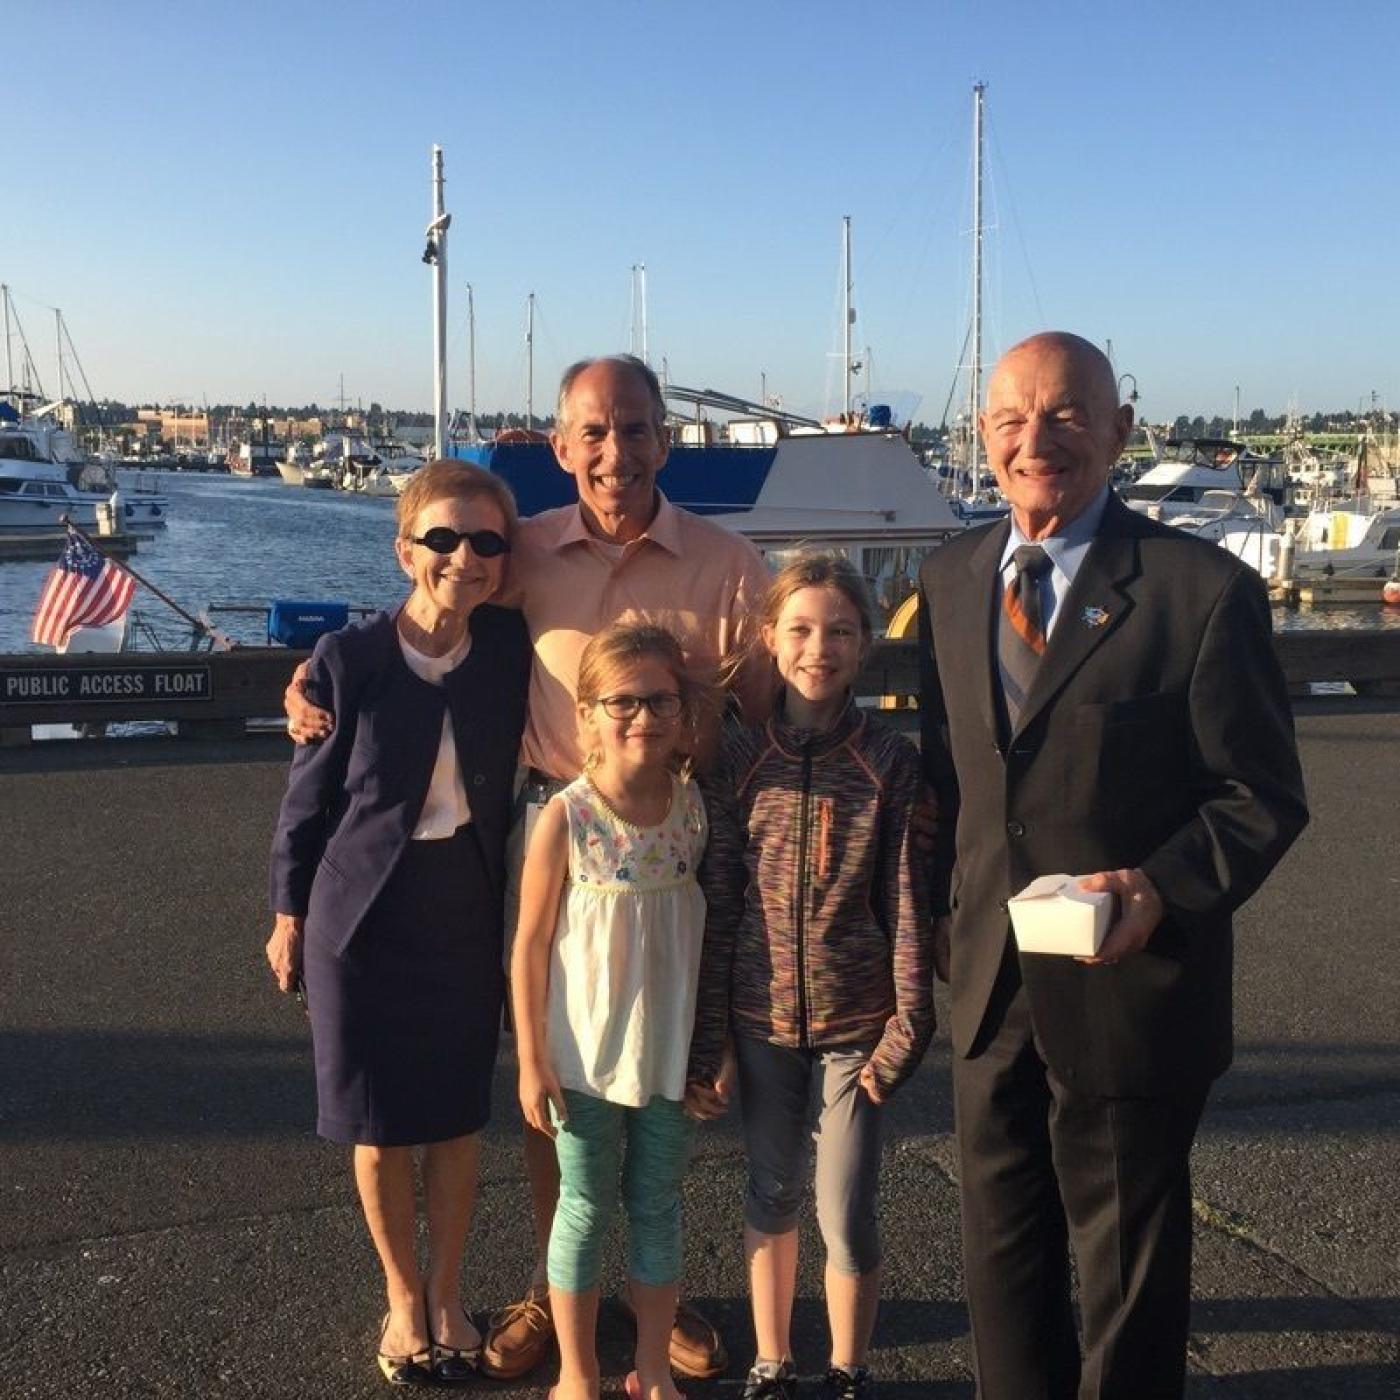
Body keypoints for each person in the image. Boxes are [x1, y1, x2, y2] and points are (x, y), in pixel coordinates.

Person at [283, 354, 772, 1382]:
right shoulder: (523, 557)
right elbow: (426, 614)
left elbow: (768, 711)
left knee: (665, 1077)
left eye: (634, 428)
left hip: (676, 845)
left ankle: (650, 1300)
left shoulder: (730, 564)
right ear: (560, 447)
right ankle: (564, 1298)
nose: (614, 451)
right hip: (551, 828)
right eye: (591, 433)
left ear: (664, 437)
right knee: (558, 1078)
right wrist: (313, 677)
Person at [916, 332, 1309, 1399]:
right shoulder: (949, 581)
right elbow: (945, 782)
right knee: (999, 1259)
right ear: (980, 435)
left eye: (1065, 413)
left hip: (1129, 984)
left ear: (1120, 428)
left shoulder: (1200, 591)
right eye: (1007, 419)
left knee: (1125, 1276)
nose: (1033, 440)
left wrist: (1155, 886)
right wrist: (939, 922)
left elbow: (1259, 795)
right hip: (990, 982)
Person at [266, 460, 531, 1386]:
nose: (465, 557)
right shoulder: (348, 660)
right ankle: (402, 1297)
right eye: (443, 538)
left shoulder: (508, 648)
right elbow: (305, 804)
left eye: (487, 540)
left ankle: (450, 1293)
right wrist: (287, 911)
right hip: (357, 917)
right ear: (403, 549)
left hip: (463, 900)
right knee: (377, 1125)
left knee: (456, 1120)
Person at [687, 553, 934, 1400]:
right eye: (798, 630)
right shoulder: (741, 760)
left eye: (837, 632)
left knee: (846, 1210)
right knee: (770, 1189)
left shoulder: (890, 763)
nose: (816, 649)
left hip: (856, 1029)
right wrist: (711, 1035)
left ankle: (848, 1367)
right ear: (771, 640)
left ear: (864, 643)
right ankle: (771, 1359)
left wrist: (907, 1029)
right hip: (760, 1023)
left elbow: (906, 902)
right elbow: (720, 902)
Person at [512, 622, 711, 1400]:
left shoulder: (694, 809)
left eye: (659, 699)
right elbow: (527, 946)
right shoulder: (566, 818)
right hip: (583, 1063)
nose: (641, 716)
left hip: (666, 1057)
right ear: (586, 713)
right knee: (584, 1209)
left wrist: (711, 1051)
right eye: (620, 701)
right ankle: (578, 1374)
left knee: (658, 1206)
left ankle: (653, 1367)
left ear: (683, 709)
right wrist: (531, 1059)